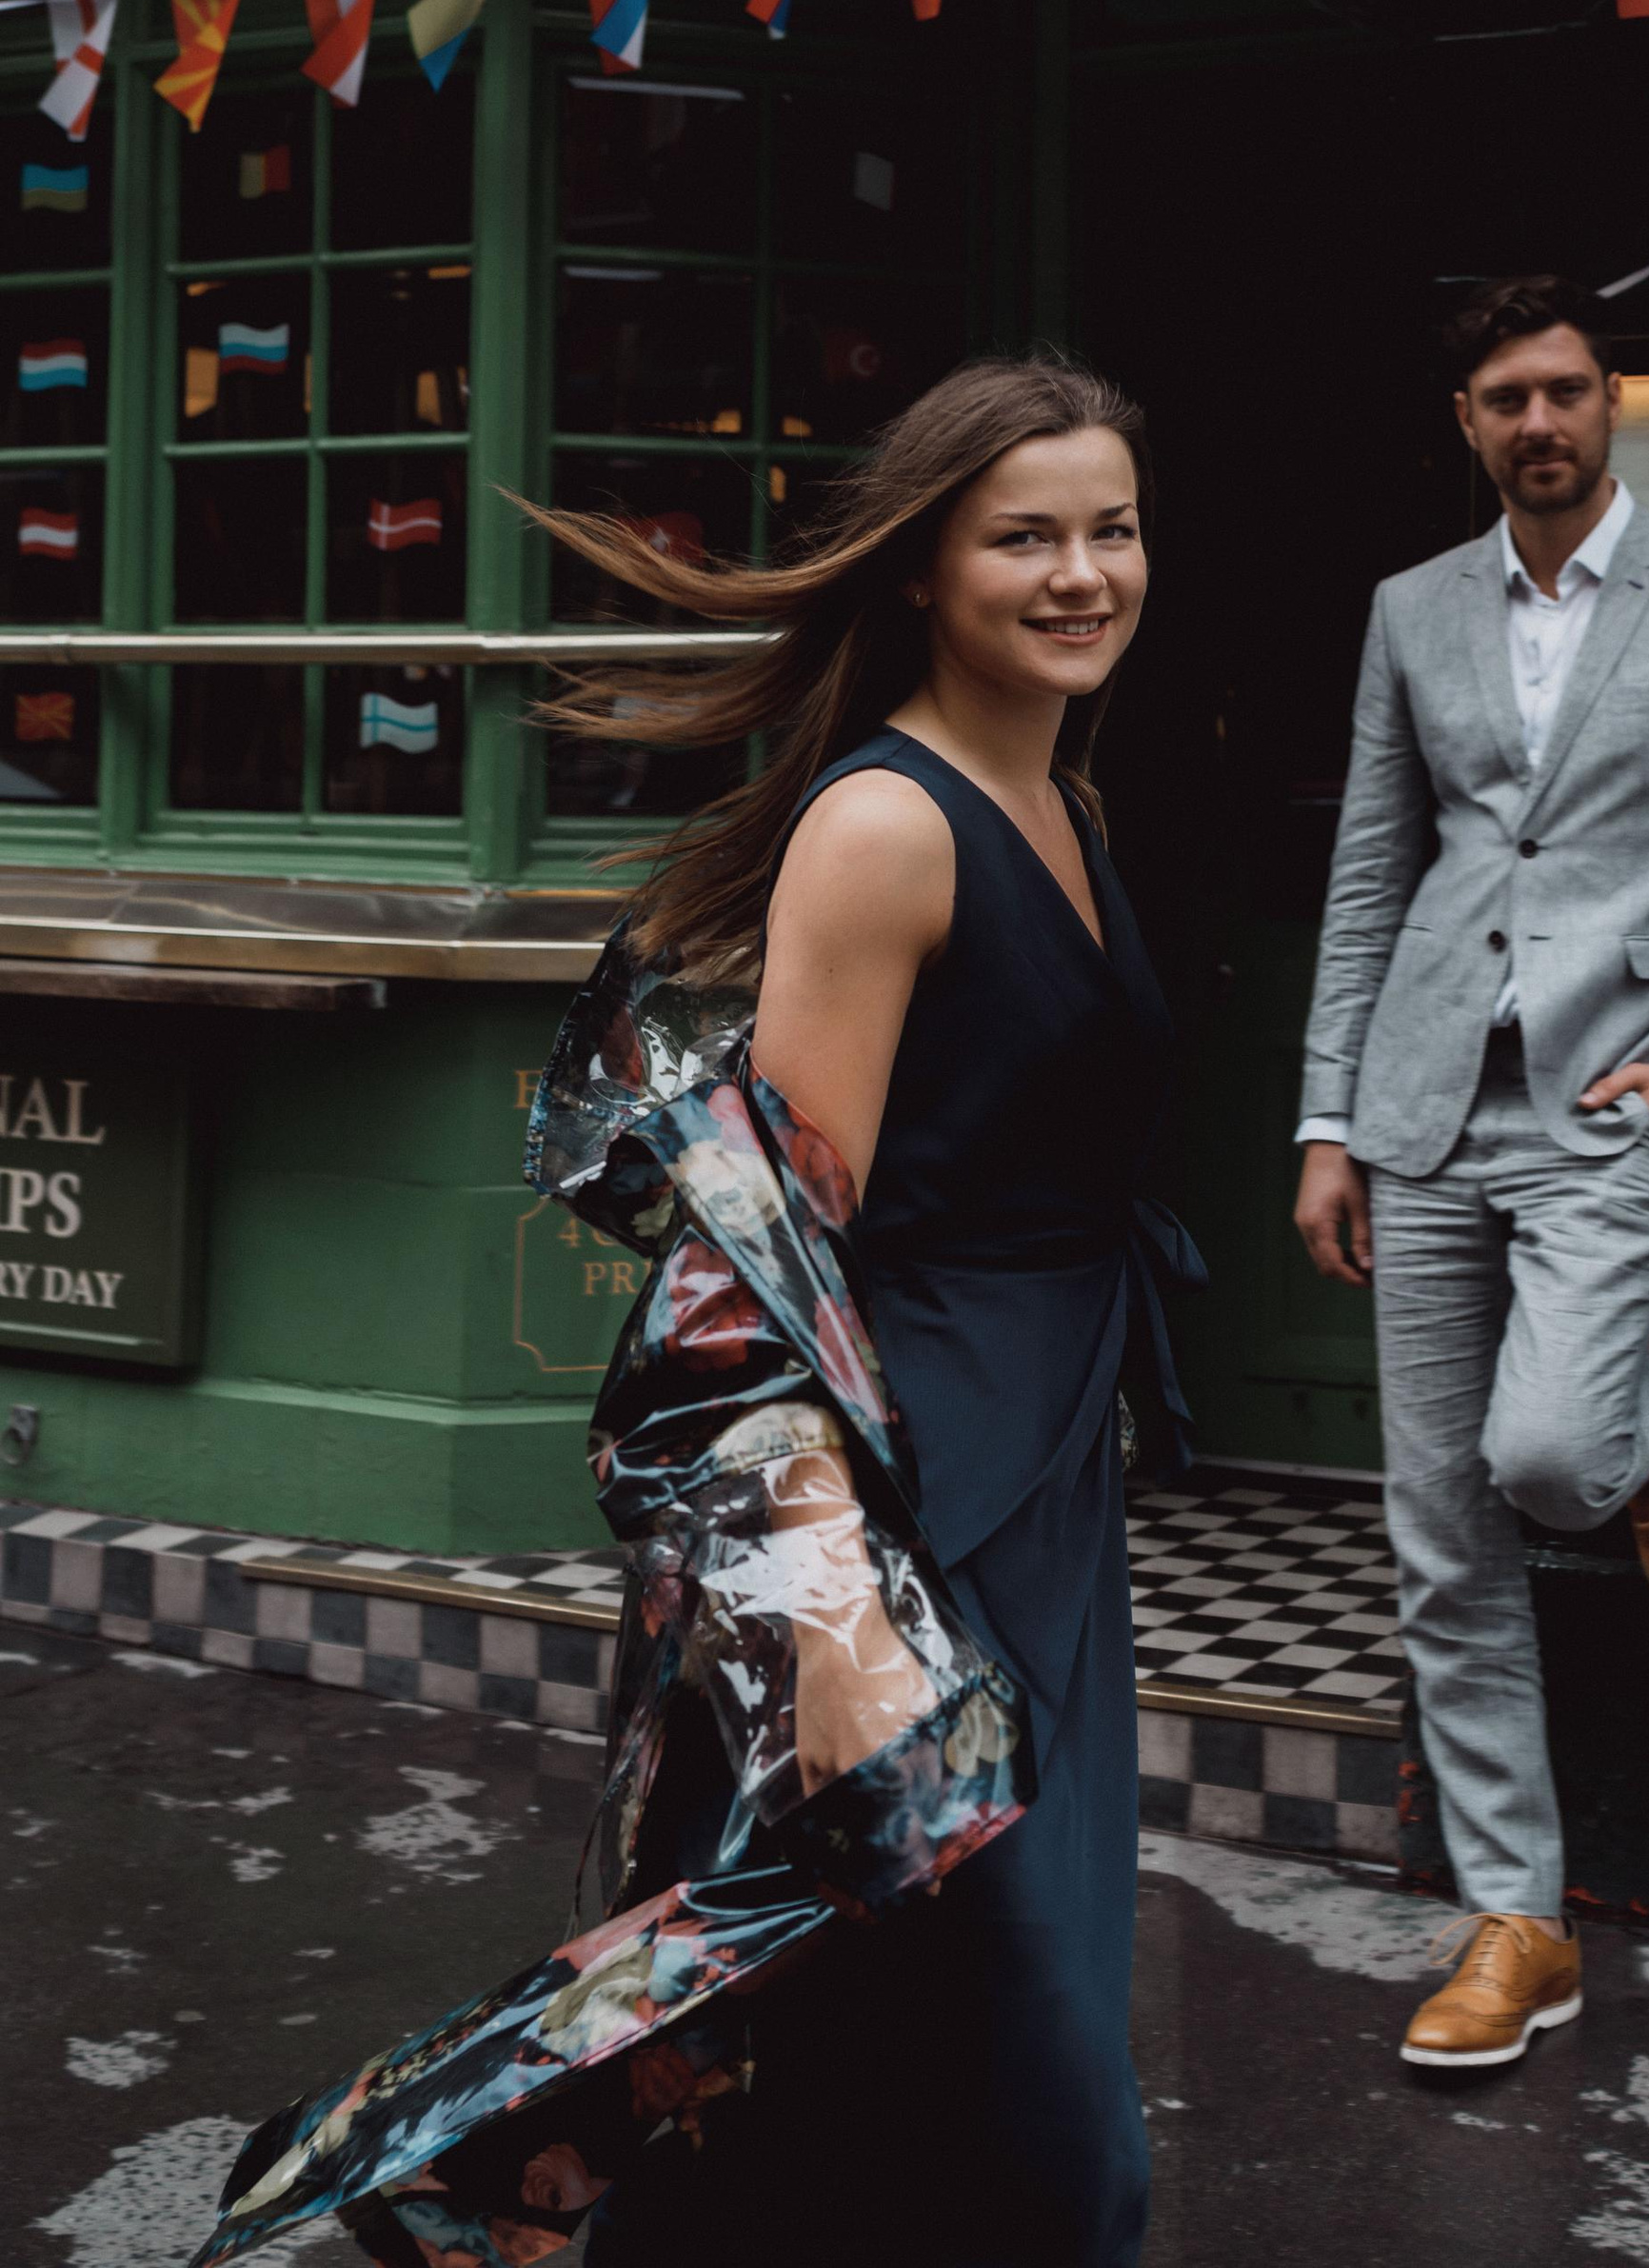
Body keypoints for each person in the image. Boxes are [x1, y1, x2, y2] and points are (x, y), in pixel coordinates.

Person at [193, 357, 1189, 2268]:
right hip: (916, 1512)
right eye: (1026, 534)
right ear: (920, 566)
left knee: (893, 2049)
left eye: (1112, 525)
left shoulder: (1062, 794)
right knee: (1021, 2086)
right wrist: (824, 1621)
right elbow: (755, 1263)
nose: (1081, 570)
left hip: (1043, 1483)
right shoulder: (887, 826)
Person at [1293, 275, 1649, 2073]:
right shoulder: (1412, 607)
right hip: (1426, 1097)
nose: (1537, 425)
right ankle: (1517, 1918)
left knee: (1545, 1454)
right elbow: (1373, 876)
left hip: (1616, 1101)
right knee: (1438, 1531)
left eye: (1563, 393)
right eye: (1501, 399)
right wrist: (1326, 1117)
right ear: (1462, 421)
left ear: (1608, 409)